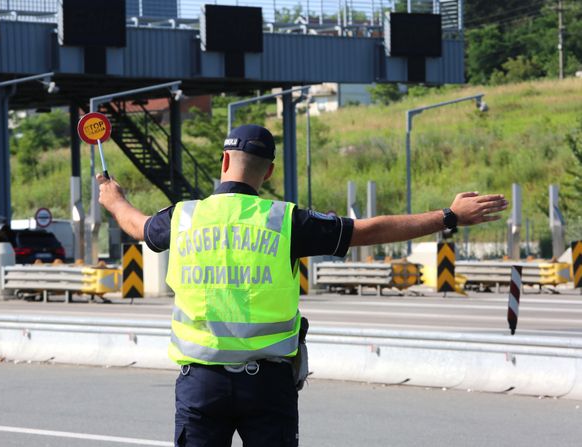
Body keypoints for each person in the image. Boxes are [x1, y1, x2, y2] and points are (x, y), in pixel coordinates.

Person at [97, 124, 508, 447]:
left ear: (224, 162)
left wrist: (115, 199)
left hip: (201, 383)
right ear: (269, 171)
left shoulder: (183, 218)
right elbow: (367, 231)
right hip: (268, 383)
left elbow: (137, 226)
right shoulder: (285, 221)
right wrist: (448, 216)